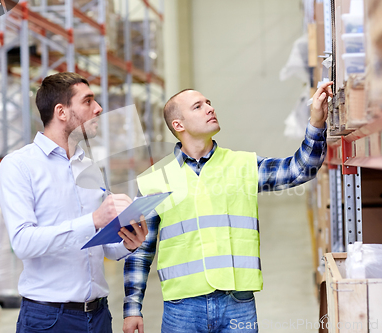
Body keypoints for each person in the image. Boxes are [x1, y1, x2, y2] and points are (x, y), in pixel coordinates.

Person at [122, 82, 333, 333]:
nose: (210, 108)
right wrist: (132, 308)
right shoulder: (154, 180)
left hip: (237, 302)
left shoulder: (242, 165)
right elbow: (140, 249)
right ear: (178, 125)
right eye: (198, 106)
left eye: (208, 103)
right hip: (182, 308)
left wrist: (317, 123)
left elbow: (301, 169)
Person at [0, 72, 148, 333]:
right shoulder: (18, 166)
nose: (99, 108)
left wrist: (127, 242)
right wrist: (93, 220)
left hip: (98, 315)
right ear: (61, 112)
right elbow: (23, 243)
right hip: (49, 319)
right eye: (88, 101)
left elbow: (103, 247)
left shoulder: (87, 166)